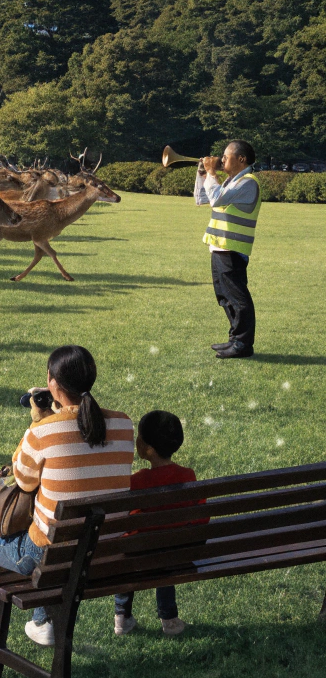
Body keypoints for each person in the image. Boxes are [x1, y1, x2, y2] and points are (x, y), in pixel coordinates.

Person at [0, 345, 134, 660]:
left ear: (51, 382)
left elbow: (23, 480)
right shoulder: (124, 424)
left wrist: (38, 423)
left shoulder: (44, 430)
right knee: (57, 523)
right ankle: (44, 621)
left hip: (49, 558)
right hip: (106, 551)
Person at [113, 410, 205, 637]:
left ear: (149, 449)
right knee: (165, 550)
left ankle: (122, 617)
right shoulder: (187, 475)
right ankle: (169, 619)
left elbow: (123, 517)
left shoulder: (137, 481)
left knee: (131, 551)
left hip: (141, 552)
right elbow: (201, 514)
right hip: (176, 550)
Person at [194, 140, 261, 359]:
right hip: (220, 248)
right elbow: (201, 198)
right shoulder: (231, 182)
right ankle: (235, 340)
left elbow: (215, 200)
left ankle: (242, 344)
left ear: (241, 159)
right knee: (225, 297)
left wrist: (212, 172)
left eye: (226, 156)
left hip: (232, 249)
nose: (222, 159)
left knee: (238, 298)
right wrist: (203, 174)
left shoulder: (248, 182)